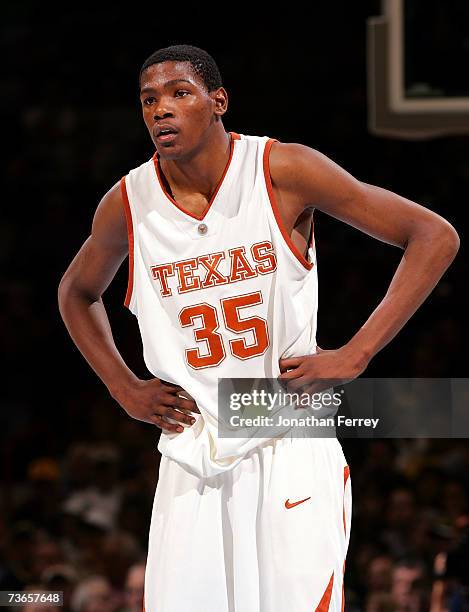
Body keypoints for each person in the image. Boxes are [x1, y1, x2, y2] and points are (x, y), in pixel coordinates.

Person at [57, 44, 459, 612]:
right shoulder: (127, 202)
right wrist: (122, 386)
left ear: (218, 101)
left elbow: (434, 235)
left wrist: (358, 353)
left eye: (179, 94)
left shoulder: (280, 169)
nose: (160, 110)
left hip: (285, 431)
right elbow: (75, 292)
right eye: (148, 100)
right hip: (191, 447)